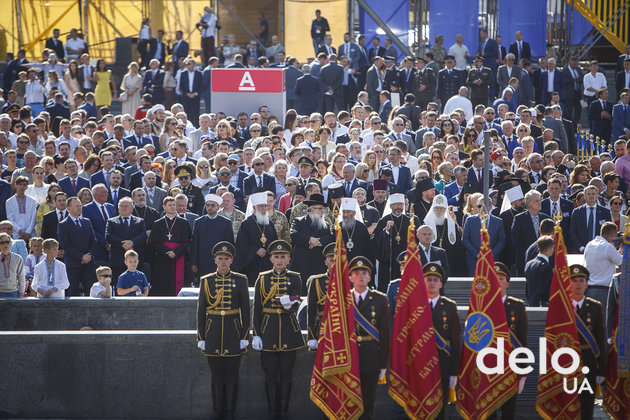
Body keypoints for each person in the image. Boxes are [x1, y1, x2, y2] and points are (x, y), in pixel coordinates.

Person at [197, 241, 250, 420]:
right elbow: (201, 312)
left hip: (233, 333)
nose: (223, 262)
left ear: (232, 260)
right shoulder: (206, 280)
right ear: (215, 260)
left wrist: (244, 336)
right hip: (212, 333)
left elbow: (246, 310)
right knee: (216, 375)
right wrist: (201, 336)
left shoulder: (240, 280)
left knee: (232, 375)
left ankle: (230, 412)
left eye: (226, 259)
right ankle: (217, 411)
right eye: (220, 259)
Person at [252, 239, 304, 419]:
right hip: (268, 331)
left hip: (289, 332)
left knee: (287, 374)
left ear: (289, 259)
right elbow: (257, 308)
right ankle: (272, 411)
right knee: (270, 375)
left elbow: (298, 305)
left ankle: (284, 411)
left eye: (283, 257)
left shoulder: (295, 277)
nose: (280, 260)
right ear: (271, 259)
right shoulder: (263, 278)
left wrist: (290, 305)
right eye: (276, 257)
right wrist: (256, 334)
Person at [349, 255, 389, 420]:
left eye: (365, 273)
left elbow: (385, 335)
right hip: (349, 359)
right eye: (357, 273)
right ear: (350, 277)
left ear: (370, 277)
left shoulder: (380, 299)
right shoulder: (343, 299)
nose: (361, 276)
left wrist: (383, 365)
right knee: (349, 403)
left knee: (368, 404)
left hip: (371, 359)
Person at [488, 262, 528, 419]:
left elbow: (523, 341)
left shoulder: (517, 306)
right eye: (494, 278)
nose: (498, 281)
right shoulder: (483, 306)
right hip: (488, 368)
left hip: (510, 368)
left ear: (507, 283)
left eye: (501, 278)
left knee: (508, 412)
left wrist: (522, 373)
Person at [568, 264, 605, 420]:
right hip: (566, 364)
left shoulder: (595, 307)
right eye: (574, 280)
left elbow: (600, 340)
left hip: (587, 364)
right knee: (568, 406)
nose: (578, 284)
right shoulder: (562, 307)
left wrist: (601, 371)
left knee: (586, 406)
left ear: (587, 284)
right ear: (569, 284)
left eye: (581, 280)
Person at [423, 262, 459, 420]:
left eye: (435, 280)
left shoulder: (450, 307)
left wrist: (453, 373)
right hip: (421, 369)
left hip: (443, 367)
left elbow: (455, 343)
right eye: (428, 279)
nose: (431, 283)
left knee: (440, 412)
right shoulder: (416, 307)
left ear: (441, 283)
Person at [373, 194, 419, 292]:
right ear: (390, 206)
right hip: (388, 262)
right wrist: (386, 230)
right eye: (396, 204)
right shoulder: (383, 220)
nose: (399, 207)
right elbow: (375, 240)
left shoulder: (409, 221)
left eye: (401, 204)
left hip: (405, 261)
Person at [147, 196, 192, 296]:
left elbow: (187, 242)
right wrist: (167, 252)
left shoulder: (184, 222)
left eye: (174, 205)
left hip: (179, 257)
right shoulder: (158, 223)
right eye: (169, 205)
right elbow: (154, 243)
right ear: (164, 207)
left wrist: (175, 253)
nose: (172, 207)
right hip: (163, 259)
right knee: (163, 283)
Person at [289, 193, 333, 293]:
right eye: (320, 209)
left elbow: (330, 237)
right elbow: (294, 234)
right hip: (302, 263)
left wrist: (318, 242)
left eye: (323, 209)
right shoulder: (299, 221)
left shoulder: (325, 224)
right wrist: (309, 239)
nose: (323, 212)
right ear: (312, 209)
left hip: (319, 264)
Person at [233, 192, 278, 286]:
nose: (264, 209)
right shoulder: (246, 223)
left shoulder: (269, 223)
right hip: (251, 264)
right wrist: (256, 250)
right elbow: (241, 245)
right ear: (254, 208)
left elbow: (275, 242)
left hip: (267, 262)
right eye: (261, 206)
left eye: (265, 206)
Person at [58, 196, 97, 296]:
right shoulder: (63, 224)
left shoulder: (86, 222)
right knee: (72, 292)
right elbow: (66, 245)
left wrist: (90, 255)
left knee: (90, 292)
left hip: (88, 264)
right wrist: (81, 257)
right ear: (69, 208)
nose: (80, 208)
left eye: (80, 206)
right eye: (77, 206)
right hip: (73, 265)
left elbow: (93, 241)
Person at [190, 194, 234, 280]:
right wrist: (194, 262)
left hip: (221, 260)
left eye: (213, 205)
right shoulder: (198, 222)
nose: (210, 207)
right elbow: (195, 244)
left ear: (218, 207)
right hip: (202, 260)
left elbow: (230, 244)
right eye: (208, 205)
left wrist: (229, 262)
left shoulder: (226, 223)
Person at [105, 197, 147, 286]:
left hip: (135, 262)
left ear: (132, 208)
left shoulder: (140, 221)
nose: (123, 208)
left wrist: (132, 242)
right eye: (121, 206)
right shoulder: (111, 221)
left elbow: (143, 235)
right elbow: (109, 236)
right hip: (118, 261)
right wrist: (123, 244)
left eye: (126, 206)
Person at [584, 221, 622, 318]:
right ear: (613, 234)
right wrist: (623, 251)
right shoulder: (607, 247)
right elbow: (623, 264)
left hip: (589, 291)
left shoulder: (589, 244)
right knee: (603, 326)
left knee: (592, 325)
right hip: (604, 292)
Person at [306, 242, 334, 349]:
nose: (335, 263)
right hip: (323, 327)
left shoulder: (349, 282)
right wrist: (311, 336)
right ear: (326, 262)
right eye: (331, 260)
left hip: (343, 328)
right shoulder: (316, 281)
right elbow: (311, 311)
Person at [524, 235, 554, 306]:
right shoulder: (546, 266)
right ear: (550, 248)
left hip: (531, 303)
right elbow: (545, 291)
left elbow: (527, 288)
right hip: (541, 306)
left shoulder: (529, 264)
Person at [6, 176, 36, 243]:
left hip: (30, 234)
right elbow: (10, 218)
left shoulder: (32, 201)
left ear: (26, 187)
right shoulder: (9, 202)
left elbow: (33, 218)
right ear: (15, 185)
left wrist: (28, 232)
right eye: (20, 184)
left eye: (24, 185)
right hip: (16, 234)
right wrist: (20, 231)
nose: (22, 187)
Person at [0, 232, 25, 298]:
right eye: (2, 242)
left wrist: (21, 292)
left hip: (14, 292)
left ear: (10, 243)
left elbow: (21, 276)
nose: (5, 244)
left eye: (7, 242)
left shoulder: (18, 258)